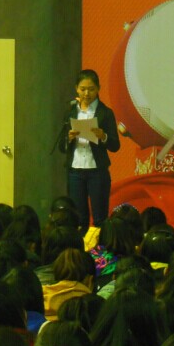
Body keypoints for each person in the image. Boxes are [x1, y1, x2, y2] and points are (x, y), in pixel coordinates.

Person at [59, 69, 121, 232]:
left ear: (98, 89)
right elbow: (61, 147)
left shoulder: (105, 113)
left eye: (91, 89)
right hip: (75, 171)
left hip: (97, 171)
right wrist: (68, 138)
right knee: (79, 219)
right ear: (76, 89)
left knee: (100, 218)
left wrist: (103, 136)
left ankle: (100, 248)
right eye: (83, 89)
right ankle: (82, 246)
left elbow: (115, 145)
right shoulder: (70, 112)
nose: (87, 93)